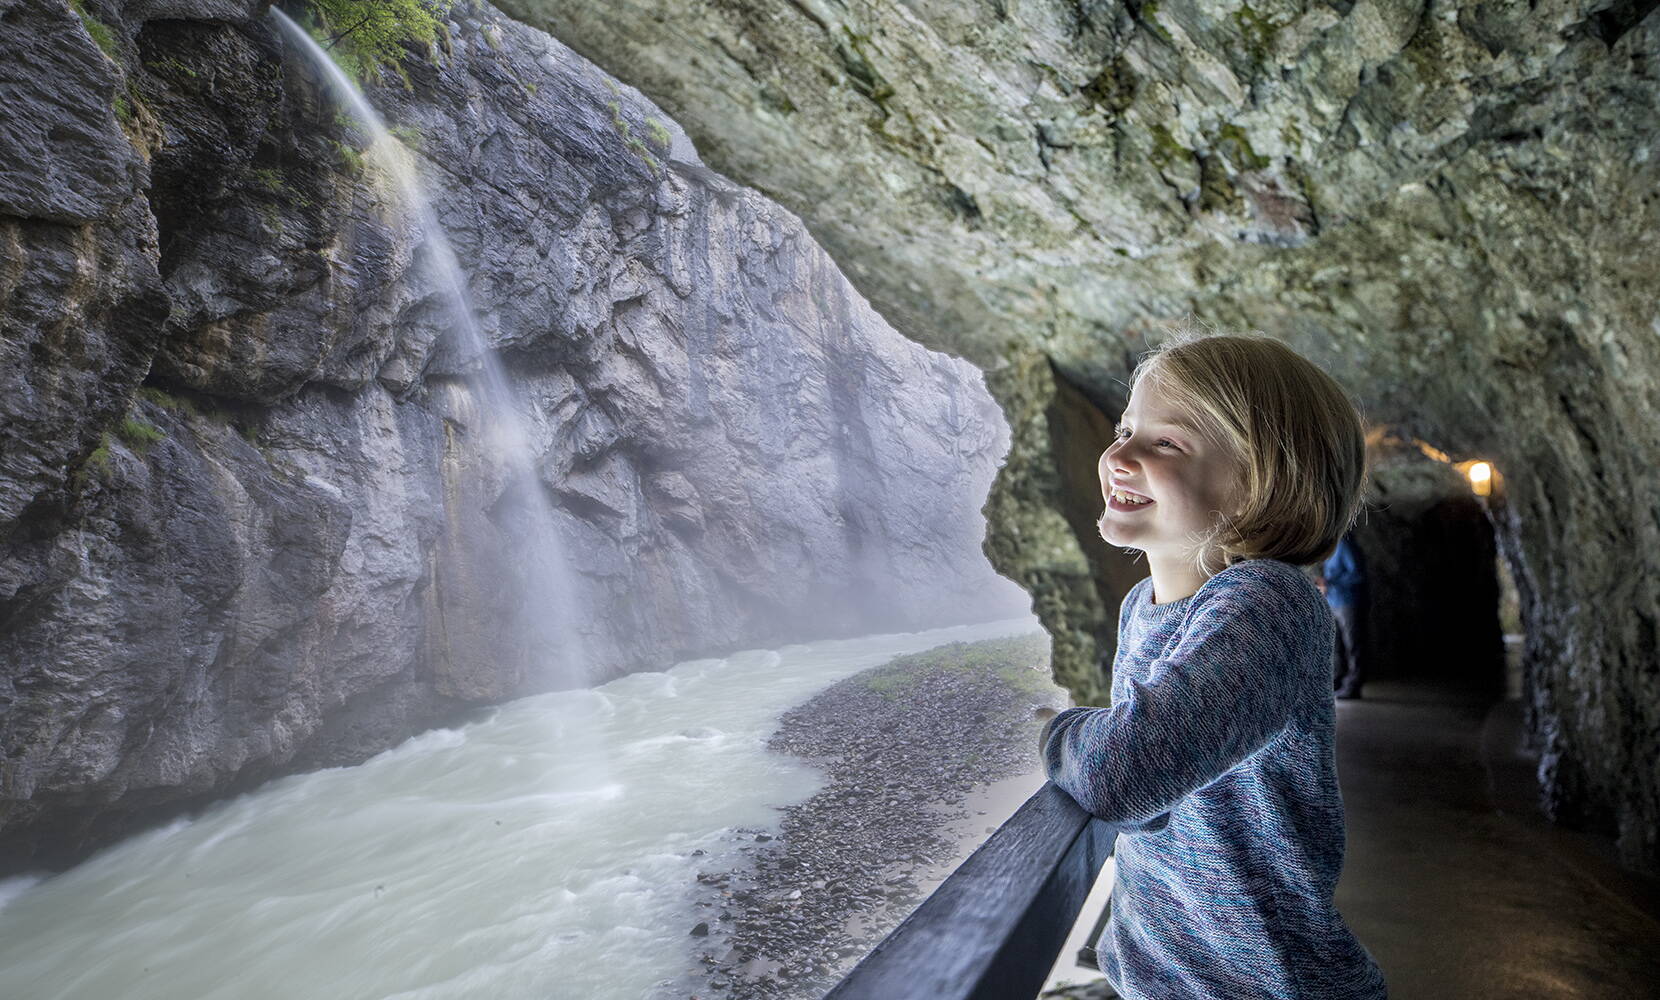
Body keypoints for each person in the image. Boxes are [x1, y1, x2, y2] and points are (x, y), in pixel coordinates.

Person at [1039, 330, 1387, 1000]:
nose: (1119, 454)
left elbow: (1123, 775)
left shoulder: (1267, 602)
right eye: (1125, 428)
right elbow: (1162, 816)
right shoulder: (1144, 606)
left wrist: (1051, 731)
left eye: (1166, 442)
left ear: (1262, 484)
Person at [1322, 532, 1368, 699]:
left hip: (1348, 602)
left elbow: (1357, 574)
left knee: (1353, 645)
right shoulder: (1331, 547)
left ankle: (1353, 685)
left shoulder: (1344, 545)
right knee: (1337, 646)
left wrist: (1330, 582)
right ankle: (1338, 682)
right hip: (1334, 601)